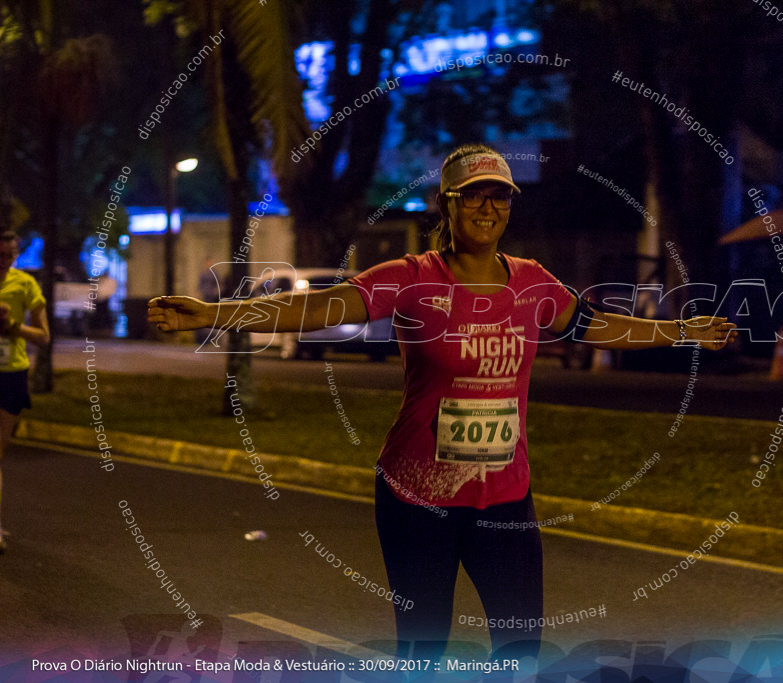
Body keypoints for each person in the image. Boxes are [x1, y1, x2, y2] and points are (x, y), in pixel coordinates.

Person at [147, 144, 735, 665]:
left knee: (519, 649)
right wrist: (216, 315)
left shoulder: (532, 283)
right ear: (445, 205)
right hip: (414, 495)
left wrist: (679, 332)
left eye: (499, 198)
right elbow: (313, 309)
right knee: (424, 649)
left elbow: (594, 326)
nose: (487, 209)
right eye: (473, 197)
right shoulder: (411, 278)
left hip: (504, 495)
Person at [0, 231, 50, 554]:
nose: (6, 260)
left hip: (10, 375)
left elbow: (44, 337)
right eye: (1, 254)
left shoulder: (25, 285)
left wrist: (12, 327)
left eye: (11, 254)